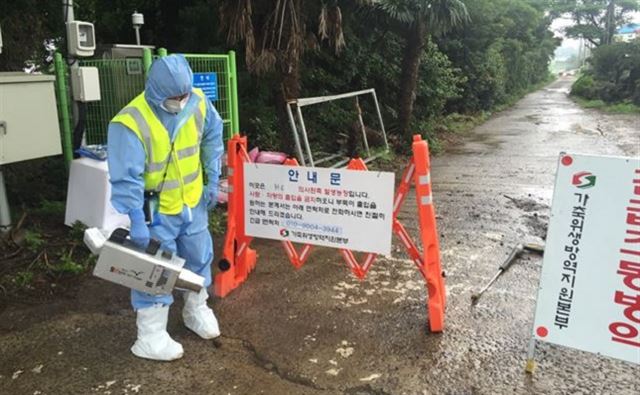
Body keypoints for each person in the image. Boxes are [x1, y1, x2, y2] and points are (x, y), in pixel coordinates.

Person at [107, 55, 224, 361]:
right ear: (156, 91)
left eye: (184, 95)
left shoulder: (197, 102)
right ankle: (151, 335)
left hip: (192, 201)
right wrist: (136, 220)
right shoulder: (130, 121)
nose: (181, 102)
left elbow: (213, 134)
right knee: (155, 269)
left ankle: (196, 309)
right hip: (154, 210)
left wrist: (213, 178)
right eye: (175, 97)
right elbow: (125, 179)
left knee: (200, 257)